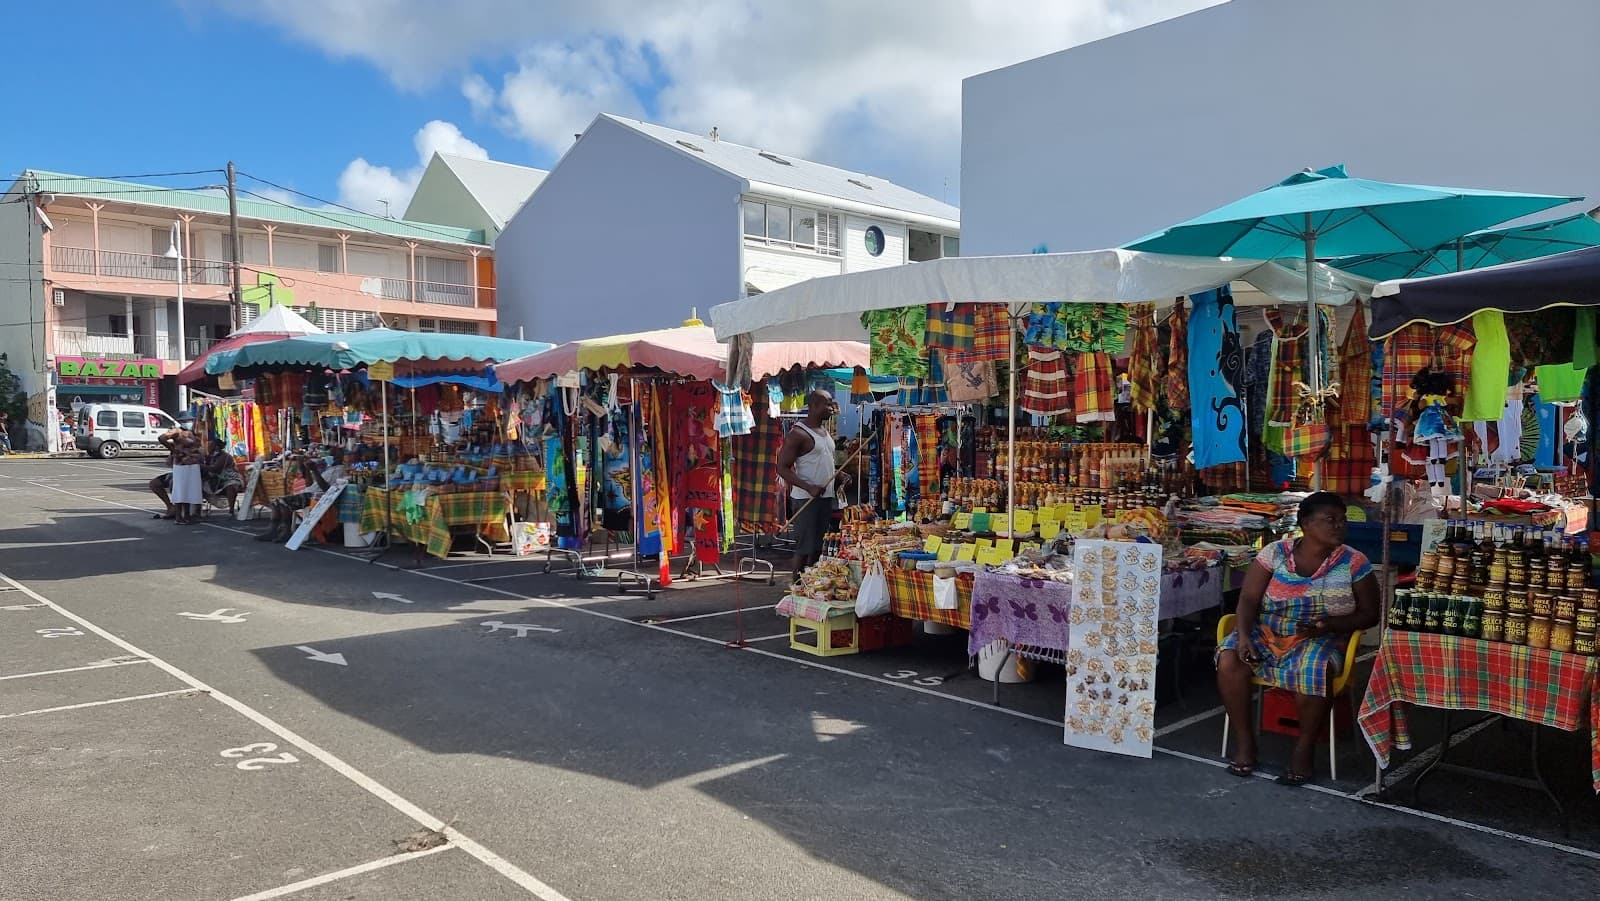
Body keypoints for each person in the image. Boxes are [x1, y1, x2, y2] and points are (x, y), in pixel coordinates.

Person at [1216, 492, 1380, 786]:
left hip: (1322, 635)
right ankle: (1245, 743)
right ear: (1305, 523)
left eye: (1342, 520)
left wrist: (1330, 624)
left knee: (1315, 668)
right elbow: (1249, 599)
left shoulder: (1355, 562)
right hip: (1269, 629)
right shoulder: (1275, 553)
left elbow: (1370, 614)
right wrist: (1244, 637)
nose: (1339, 526)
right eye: (1330, 519)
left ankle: (1304, 751)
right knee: (1229, 659)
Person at [776, 389, 849, 579]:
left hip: (824, 498)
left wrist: (838, 475)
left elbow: (823, 462)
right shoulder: (798, 433)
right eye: (828, 404)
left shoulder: (824, 432)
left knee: (818, 547)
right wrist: (809, 487)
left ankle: (812, 586)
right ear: (814, 405)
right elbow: (782, 468)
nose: (832, 408)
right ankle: (796, 586)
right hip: (806, 500)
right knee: (804, 548)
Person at [257, 449, 346, 543]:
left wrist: (315, 471)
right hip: (309, 491)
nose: (330, 457)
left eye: (333, 456)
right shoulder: (328, 468)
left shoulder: (340, 470)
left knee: (284, 502)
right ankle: (273, 530)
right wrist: (307, 469)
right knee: (275, 502)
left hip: (317, 495)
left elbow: (326, 488)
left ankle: (286, 532)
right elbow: (309, 484)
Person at [159, 414, 204, 525]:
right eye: (186, 420)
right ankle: (179, 517)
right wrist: (174, 450)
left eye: (190, 420)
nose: (188, 422)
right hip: (181, 465)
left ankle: (187, 515)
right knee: (180, 490)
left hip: (193, 464)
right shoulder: (177, 431)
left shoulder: (192, 432)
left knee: (190, 490)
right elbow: (162, 438)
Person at [202, 436, 244, 516]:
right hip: (217, 479)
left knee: (231, 486)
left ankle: (231, 510)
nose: (208, 448)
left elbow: (215, 468)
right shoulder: (210, 456)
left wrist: (201, 466)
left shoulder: (224, 456)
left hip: (230, 477)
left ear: (216, 447)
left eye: (210, 446)